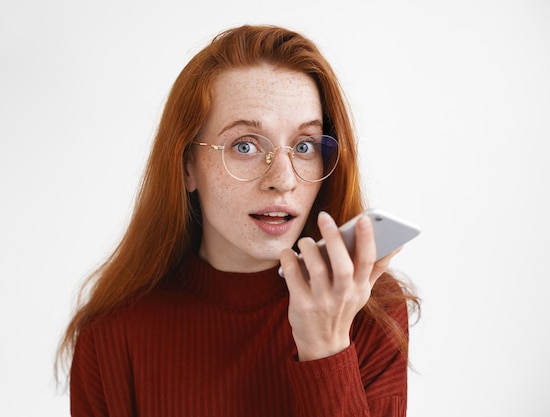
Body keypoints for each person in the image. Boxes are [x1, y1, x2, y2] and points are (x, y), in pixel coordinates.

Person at [56, 24, 420, 417]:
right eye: (245, 145)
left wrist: (327, 347)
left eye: (304, 146)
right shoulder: (112, 333)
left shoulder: (366, 308)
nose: (282, 179)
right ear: (186, 167)